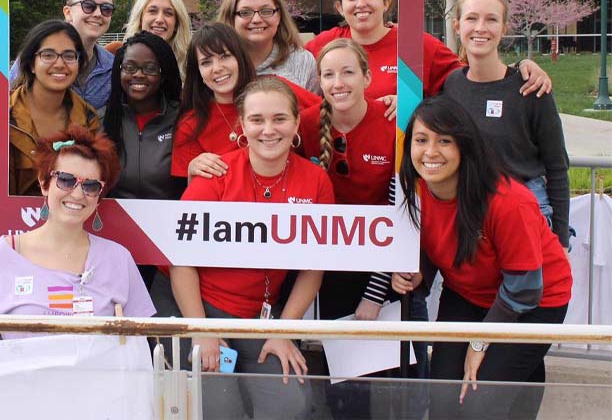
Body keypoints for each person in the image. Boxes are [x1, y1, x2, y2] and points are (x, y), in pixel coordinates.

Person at [158, 76, 335, 420]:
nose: (268, 130)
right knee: (221, 407)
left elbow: (314, 268)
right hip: (198, 308)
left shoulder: (316, 181)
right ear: (242, 124)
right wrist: (202, 333)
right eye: (257, 120)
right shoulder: (217, 174)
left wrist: (283, 332)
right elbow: (180, 261)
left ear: (297, 123)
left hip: (261, 316)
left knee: (290, 405)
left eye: (279, 119)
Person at [392, 96, 571, 420]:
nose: (430, 152)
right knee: (444, 398)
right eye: (421, 140)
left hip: (535, 299)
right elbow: (438, 240)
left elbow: (525, 287)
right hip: (468, 293)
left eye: (444, 141)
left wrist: (480, 343)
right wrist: (420, 273)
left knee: (478, 402)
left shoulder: (507, 201)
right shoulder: (416, 189)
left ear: (464, 146)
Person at [0, 125, 155, 340]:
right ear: (44, 183)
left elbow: (138, 338)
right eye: (66, 180)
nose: (78, 194)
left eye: (90, 186)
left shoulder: (118, 259)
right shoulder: (5, 254)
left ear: (99, 196)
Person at [298, 38, 401, 419]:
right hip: (326, 262)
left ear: (368, 77)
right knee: (340, 377)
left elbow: (402, 214)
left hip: (382, 266)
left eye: (347, 72)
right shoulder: (306, 124)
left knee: (383, 376)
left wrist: (376, 292)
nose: (338, 82)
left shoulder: (394, 124)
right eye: (328, 74)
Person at [305, 0, 552, 118]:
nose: (361, 3)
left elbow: (471, 79)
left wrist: (521, 66)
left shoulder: (417, 44)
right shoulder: (323, 46)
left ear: (387, 3)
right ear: (340, 7)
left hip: (403, 168)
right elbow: (282, 71)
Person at [0, 20, 101, 267]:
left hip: (61, 241)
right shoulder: (2, 116)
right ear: (31, 63)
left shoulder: (88, 120)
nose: (60, 63)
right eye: (48, 54)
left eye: (69, 55)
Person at [443, 0, 570, 249]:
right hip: (471, 216)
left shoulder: (531, 88)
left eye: (491, 19)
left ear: (504, 28)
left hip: (528, 214)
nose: (480, 28)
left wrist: (559, 240)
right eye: (471, 18)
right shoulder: (451, 85)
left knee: (522, 291)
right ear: (457, 26)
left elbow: (557, 168)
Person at [172, 23, 320, 184]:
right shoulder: (190, 124)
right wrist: (192, 171)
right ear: (198, 72)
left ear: (240, 57)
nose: (217, 68)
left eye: (225, 56)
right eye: (206, 62)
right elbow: (187, 200)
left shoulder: (276, 92)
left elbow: (328, 114)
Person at [103, 31, 185, 288]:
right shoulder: (103, 119)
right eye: (130, 67)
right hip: (114, 243)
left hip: (170, 244)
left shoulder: (183, 118)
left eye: (150, 68)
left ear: (163, 74)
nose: (138, 75)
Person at [0, 0, 116, 121]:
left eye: (106, 9)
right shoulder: (35, 57)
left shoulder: (114, 67)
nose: (98, 14)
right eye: (88, 6)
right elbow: (5, 101)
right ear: (68, 12)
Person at [216, 0, 318, 92]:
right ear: (230, 18)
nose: (256, 19)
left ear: (279, 16)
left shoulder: (302, 60)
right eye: (245, 12)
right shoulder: (216, 64)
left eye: (266, 11)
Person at [104, 0, 192, 79]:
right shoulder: (113, 53)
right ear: (141, 18)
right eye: (152, 11)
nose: (159, 19)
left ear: (176, 24)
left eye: (168, 13)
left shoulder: (190, 63)